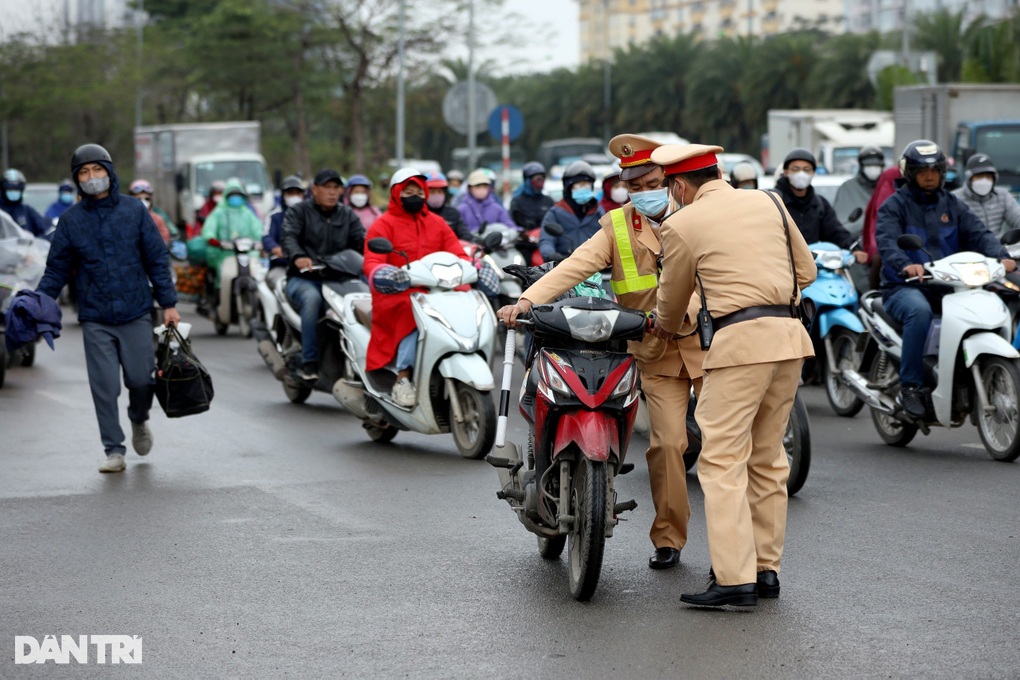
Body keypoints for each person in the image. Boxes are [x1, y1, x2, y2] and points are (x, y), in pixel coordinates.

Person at [498, 134, 705, 570]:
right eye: (633, 186)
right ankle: (669, 539)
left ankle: (745, 557)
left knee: (727, 448)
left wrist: (684, 314)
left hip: (708, 346)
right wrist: (527, 301)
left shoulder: (700, 215)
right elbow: (575, 264)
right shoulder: (617, 226)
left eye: (651, 181)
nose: (643, 192)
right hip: (654, 350)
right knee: (668, 445)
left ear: (671, 179)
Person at [649, 143, 816, 608]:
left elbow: (672, 298)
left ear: (679, 185)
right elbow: (808, 270)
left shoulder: (681, 223)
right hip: (787, 340)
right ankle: (766, 571)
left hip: (737, 345)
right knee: (768, 458)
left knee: (721, 461)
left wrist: (664, 326)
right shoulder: (770, 201)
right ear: (718, 171)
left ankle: (734, 579)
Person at [35, 143, 180, 474]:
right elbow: (56, 269)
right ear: (77, 180)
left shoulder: (134, 211)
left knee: (141, 381)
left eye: (97, 170)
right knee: (105, 387)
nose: (92, 177)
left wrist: (168, 303)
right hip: (96, 315)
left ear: (110, 173)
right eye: (84, 173)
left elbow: (156, 258)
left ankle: (139, 419)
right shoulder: (71, 222)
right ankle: (114, 449)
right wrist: (39, 300)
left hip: (136, 310)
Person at [876, 140, 1015, 418]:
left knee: (986, 303)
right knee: (919, 312)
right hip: (904, 286)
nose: (929, 176)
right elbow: (887, 241)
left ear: (942, 172)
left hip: (949, 284)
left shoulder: (953, 204)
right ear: (909, 173)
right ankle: (911, 386)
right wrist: (906, 265)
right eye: (922, 171)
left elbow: (979, 233)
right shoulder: (894, 206)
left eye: (934, 170)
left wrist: (1001, 255)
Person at [363, 168, 475, 407]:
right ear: (396, 194)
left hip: (438, 290)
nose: (415, 196)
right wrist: (383, 274)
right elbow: (372, 261)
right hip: (398, 293)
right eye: (408, 191)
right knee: (413, 313)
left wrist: (469, 267)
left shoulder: (438, 223)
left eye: (419, 191)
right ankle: (403, 377)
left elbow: (458, 253)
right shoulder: (383, 225)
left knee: (469, 302)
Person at [282, 169, 365, 381]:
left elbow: (361, 241)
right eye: (327, 187)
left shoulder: (347, 214)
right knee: (312, 301)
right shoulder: (299, 212)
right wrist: (299, 256)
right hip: (305, 278)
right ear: (315, 190)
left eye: (336, 187)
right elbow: (289, 236)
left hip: (339, 278)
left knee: (367, 299)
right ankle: (309, 363)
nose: (332, 192)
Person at [773, 149, 867, 264]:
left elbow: (835, 231)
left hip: (813, 266)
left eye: (806, 169)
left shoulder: (820, 204)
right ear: (786, 172)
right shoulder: (773, 201)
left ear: (813, 173)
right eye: (795, 169)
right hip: (780, 266)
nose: (801, 174)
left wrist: (853, 247)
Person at [539, 160, 605, 261]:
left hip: (596, 266)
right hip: (565, 265)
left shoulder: (599, 213)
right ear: (568, 188)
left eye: (586, 185)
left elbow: (609, 240)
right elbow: (546, 240)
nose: (583, 189)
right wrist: (551, 255)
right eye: (578, 185)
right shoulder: (555, 213)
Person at [952, 153, 1020, 238]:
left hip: (998, 248)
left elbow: (1017, 216)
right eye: (979, 176)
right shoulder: (954, 199)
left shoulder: (1002, 195)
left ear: (994, 178)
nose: (984, 181)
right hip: (967, 250)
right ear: (969, 178)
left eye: (988, 176)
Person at [833, 145, 885, 240]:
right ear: (861, 165)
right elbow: (841, 222)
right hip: (856, 243)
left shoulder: (888, 186)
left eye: (876, 165)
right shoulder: (847, 188)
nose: (873, 168)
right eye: (868, 165)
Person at [263, 175, 305, 280]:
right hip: (281, 265)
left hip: (306, 265)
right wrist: (275, 248)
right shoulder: (274, 215)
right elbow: (267, 237)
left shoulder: (310, 215)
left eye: (297, 193)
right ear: (283, 195)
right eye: (290, 193)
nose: (294, 196)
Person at [457, 169, 518, 234]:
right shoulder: (461, 210)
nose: (482, 190)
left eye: (485, 187)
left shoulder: (497, 209)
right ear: (469, 188)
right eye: (478, 186)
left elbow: (511, 227)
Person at [1, 168, 51, 240]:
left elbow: (44, 229)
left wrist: (34, 241)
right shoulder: (1, 212)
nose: (13, 192)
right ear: (3, 189)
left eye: (17, 189)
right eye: (10, 189)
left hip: (25, 250)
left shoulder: (27, 210)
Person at [509, 161, 554, 231]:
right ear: (527, 180)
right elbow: (512, 225)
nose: (539, 182)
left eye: (541, 178)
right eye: (536, 179)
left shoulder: (548, 201)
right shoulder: (517, 202)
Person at [425, 171, 470, 240]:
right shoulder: (419, 214)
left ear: (445, 193)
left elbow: (464, 234)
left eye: (440, 192)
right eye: (432, 192)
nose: (436, 195)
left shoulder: (453, 213)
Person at [129, 179, 172, 244]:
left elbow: (165, 239)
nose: (143, 202)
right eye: (139, 199)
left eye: (146, 199)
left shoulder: (157, 219)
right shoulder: (125, 218)